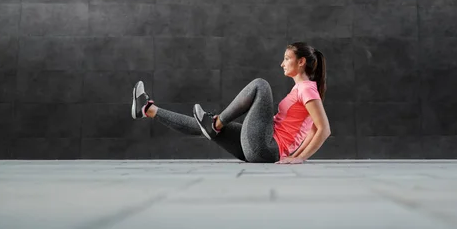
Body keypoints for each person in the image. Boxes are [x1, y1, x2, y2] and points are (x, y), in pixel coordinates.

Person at [130, 42, 331, 164]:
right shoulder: (301, 89)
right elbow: (312, 130)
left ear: (301, 61)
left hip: (267, 147)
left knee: (261, 85)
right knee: (204, 127)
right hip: (261, 150)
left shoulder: (306, 88)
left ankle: (215, 124)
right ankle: (147, 109)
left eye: (287, 58)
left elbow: (323, 129)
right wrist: (295, 155)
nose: (282, 63)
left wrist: (299, 158)